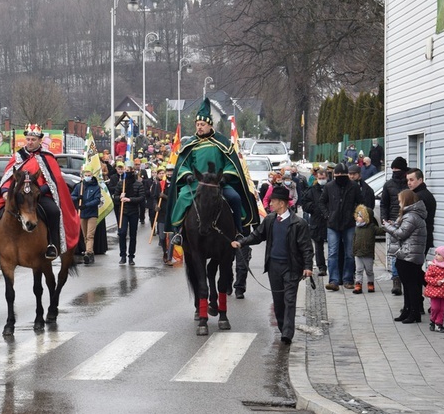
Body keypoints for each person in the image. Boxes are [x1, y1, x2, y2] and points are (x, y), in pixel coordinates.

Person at [165, 98, 258, 242]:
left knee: (235, 198)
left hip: (217, 183)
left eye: (202, 124)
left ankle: (239, 230)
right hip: (197, 183)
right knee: (182, 198)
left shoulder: (222, 142)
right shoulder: (191, 144)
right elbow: (183, 164)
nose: (199, 127)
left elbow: (230, 163)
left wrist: (225, 178)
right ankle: (178, 232)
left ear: (210, 125)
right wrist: (187, 175)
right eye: (197, 125)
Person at [0, 124, 80, 260]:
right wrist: (5, 191)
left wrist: (39, 191)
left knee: (54, 212)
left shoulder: (47, 157)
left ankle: (52, 244)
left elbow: (54, 180)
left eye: (33, 140)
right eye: (28, 139)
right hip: (19, 195)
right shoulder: (17, 157)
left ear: (40, 140)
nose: (30, 142)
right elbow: (8, 176)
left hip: (39, 195)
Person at [232, 186, 313, 345]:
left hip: (291, 267)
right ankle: (284, 328)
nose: (270, 205)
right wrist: (241, 242)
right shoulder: (270, 220)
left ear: (282, 203)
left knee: (289, 300)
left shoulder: (298, 223)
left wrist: (308, 266)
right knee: (278, 301)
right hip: (273, 266)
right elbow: (257, 236)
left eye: (272, 202)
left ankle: (287, 334)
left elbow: (306, 247)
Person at [383, 189, 427, 324]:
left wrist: (387, 227)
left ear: (406, 200)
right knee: (408, 285)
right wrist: (393, 225)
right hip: (407, 254)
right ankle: (408, 310)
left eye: (400, 200)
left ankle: (414, 313)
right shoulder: (409, 215)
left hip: (409, 255)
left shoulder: (411, 216)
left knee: (411, 285)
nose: (399, 203)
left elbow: (401, 234)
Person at [319, 163, 363, 291]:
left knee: (349, 253)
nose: (341, 178)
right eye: (339, 176)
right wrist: (328, 215)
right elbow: (322, 201)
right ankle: (334, 280)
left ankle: (348, 279)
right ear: (335, 176)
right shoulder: (329, 186)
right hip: (333, 224)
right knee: (333, 253)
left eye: (343, 176)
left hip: (349, 224)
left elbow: (361, 202)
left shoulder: (353, 186)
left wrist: (355, 214)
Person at [382, 156, 409, 295]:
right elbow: (384, 204)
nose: (394, 171)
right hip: (393, 221)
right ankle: (396, 280)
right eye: (393, 169)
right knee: (394, 251)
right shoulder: (388, 185)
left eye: (397, 169)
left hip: (408, 220)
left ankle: (406, 278)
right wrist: (384, 219)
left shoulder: (409, 182)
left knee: (408, 251)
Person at [113, 164, 145, 265]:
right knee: (122, 233)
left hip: (134, 212)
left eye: (128, 170)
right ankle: (123, 255)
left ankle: (131, 256)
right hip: (123, 212)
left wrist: (130, 199)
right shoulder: (121, 184)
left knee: (132, 235)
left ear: (132, 172)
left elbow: (141, 198)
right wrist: (119, 197)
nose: (126, 172)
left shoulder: (138, 184)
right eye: (125, 170)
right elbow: (115, 197)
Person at [71, 166, 101, 265]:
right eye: (86, 175)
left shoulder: (96, 187)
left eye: (89, 175)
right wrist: (77, 198)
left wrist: (86, 205)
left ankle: (88, 252)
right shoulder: (79, 186)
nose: (87, 177)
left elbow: (97, 200)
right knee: (84, 236)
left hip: (92, 213)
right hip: (82, 214)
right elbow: (71, 196)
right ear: (83, 176)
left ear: (92, 176)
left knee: (90, 235)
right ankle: (90, 252)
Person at [424, 246, 444, 333]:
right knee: (435, 308)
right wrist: (436, 282)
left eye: (439, 254)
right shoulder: (433, 266)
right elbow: (427, 277)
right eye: (436, 254)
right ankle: (433, 320)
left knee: (442, 308)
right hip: (434, 290)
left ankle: (439, 324)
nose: (436, 256)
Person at [302, 168, 328, 276]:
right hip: (316, 221)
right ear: (317, 178)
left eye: (323, 178)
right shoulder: (312, 190)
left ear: (327, 177)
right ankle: (321, 267)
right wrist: (313, 208)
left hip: (329, 221)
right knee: (318, 247)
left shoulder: (330, 188)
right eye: (320, 178)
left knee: (334, 246)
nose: (322, 180)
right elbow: (305, 204)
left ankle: (334, 267)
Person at [352, 204, 381, 294]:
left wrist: (387, 227)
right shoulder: (357, 227)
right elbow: (354, 239)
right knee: (359, 270)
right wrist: (353, 250)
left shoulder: (371, 227)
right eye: (358, 215)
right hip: (358, 253)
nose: (358, 217)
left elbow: (380, 231)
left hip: (368, 253)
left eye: (360, 216)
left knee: (369, 270)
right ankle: (358, 284)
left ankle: (370, 283)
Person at [407, 168, 436, 255]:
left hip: (417, 239)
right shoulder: (426, 194)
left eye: (411, 180)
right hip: (422, 237)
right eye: (407, 180)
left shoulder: (418, 197)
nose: (408, 183)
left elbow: (412, 220)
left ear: (420, 180)